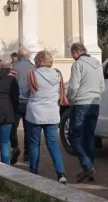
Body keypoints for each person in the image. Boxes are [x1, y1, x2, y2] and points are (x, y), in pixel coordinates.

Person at [24, 50, 68, 184]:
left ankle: (34, 171)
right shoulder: (57, 74)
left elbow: (27, 92)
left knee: (34, 144)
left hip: (35, 113)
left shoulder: (32, 74)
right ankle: (61, 173)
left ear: (38, 61)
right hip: (52, 113)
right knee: (52, 144)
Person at [66, 42, 105, 183]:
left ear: (76, 52)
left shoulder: (78, 64)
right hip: (95, 104)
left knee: (74, 136)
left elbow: (73, 86)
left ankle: (87, 166)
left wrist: (70, 99)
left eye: (72, 54)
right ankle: (88, 169)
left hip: (81, 103)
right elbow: (102, 86)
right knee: (89, 137)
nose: (72, 57)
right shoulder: (97, 64)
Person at [10, 47, 36, 164]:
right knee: (28, 129)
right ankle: (27, 153)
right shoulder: (33, 67)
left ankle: (15, 147)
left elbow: (10, 83)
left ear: (19, 56)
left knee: (13, 127)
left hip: (16, 102)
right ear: (28, 56)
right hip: (29, 102)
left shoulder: (14, 67)